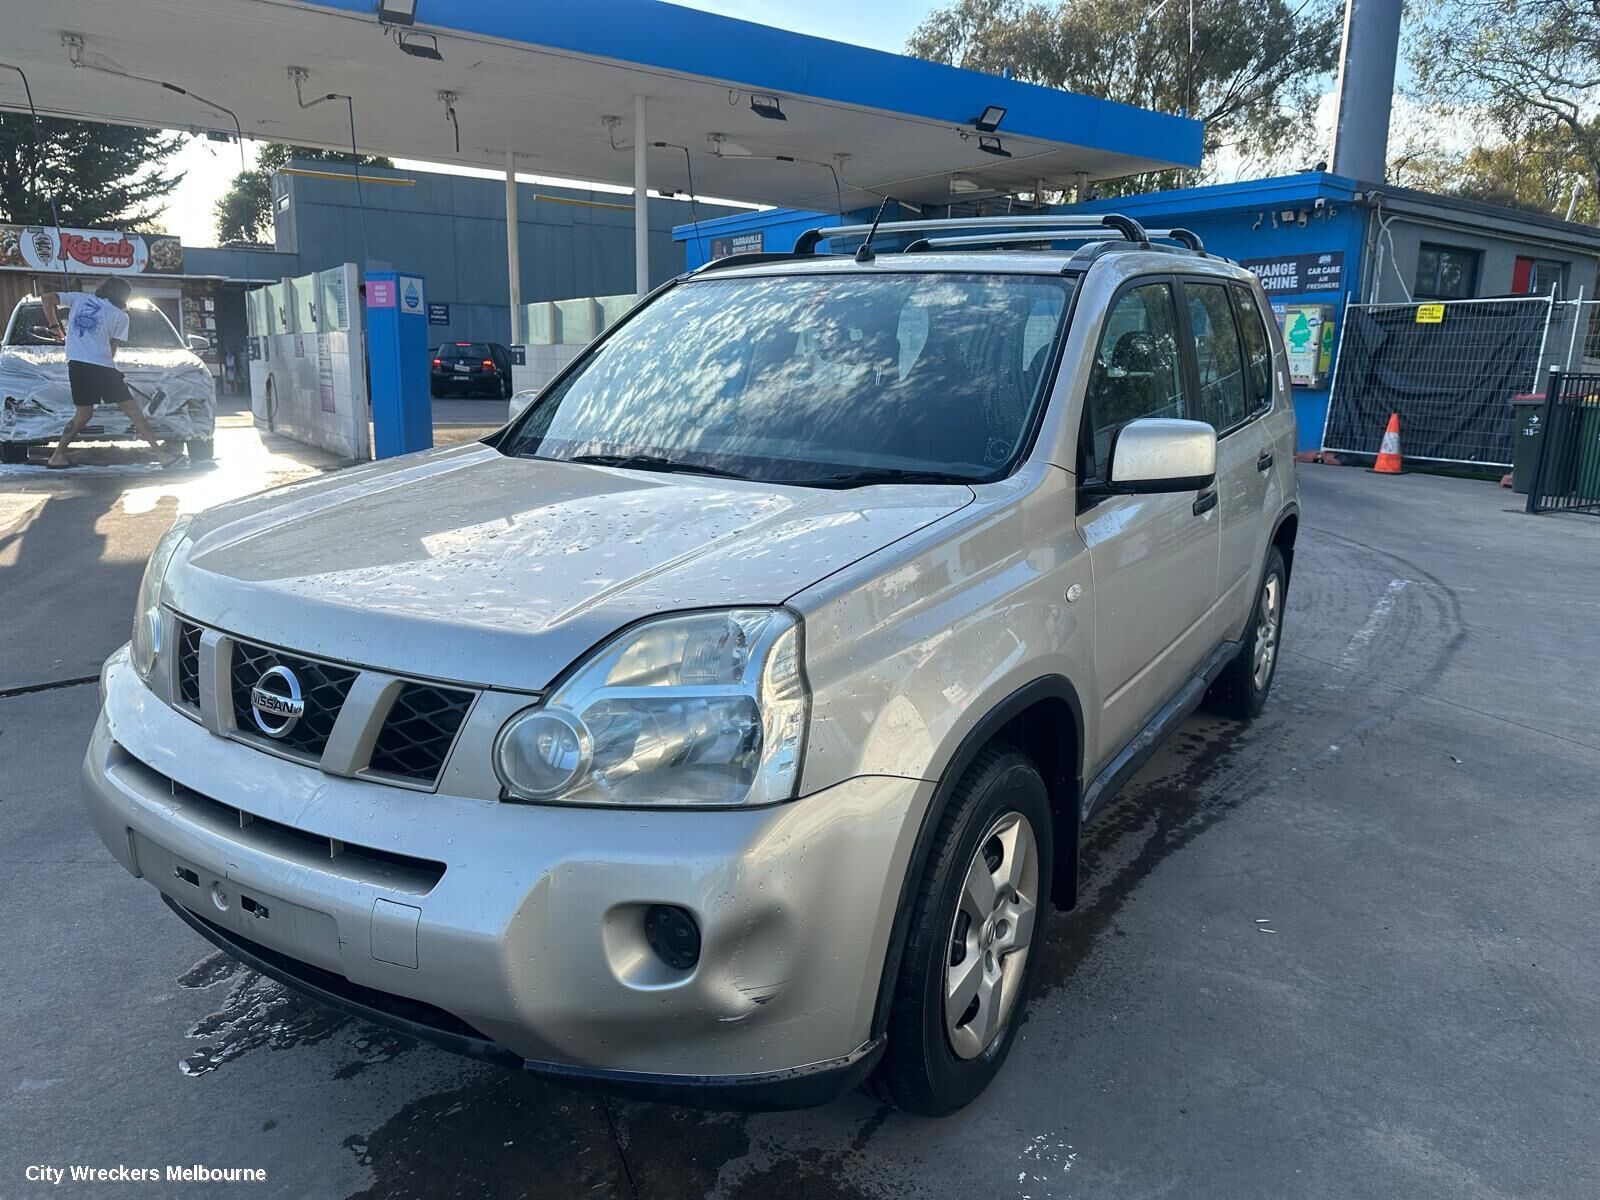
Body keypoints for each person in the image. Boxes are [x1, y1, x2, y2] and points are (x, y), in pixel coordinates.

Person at [41, 278, 181, 469]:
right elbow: (112, 348)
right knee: (133, 412)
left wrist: (55, 327)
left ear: (103, 289)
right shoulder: (121, 316)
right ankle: (162, 455)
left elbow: (46, 298)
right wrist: (110, 371)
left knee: (83, 415)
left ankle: (57, 456)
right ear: (124, 296)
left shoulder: (78, 299)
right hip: (102, 367)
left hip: (77, 366)